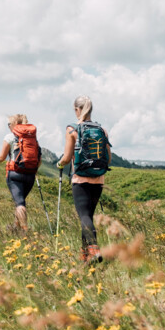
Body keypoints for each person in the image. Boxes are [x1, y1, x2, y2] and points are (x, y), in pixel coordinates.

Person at [56, 96, 111, 262]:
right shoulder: (102, 130)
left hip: (80, 179)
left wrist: (59, 164)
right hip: (98, 179)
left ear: (76, 109)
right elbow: (108, 158)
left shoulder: (72, 129)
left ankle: (93, 250)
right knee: (87, 217)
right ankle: (85, 256)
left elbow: (66, 158)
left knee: (84, 216)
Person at [0, 114, 40, 231]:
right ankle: (15, 227)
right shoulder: (32, 138)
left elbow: (1, 158)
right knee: (20, 201)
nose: (8, 127)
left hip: (15, 174)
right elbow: (38, 157)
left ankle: (25, 231)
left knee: (20, 203)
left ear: (13, 124)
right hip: (30, 175)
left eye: (9, 124)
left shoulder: (10, 137)